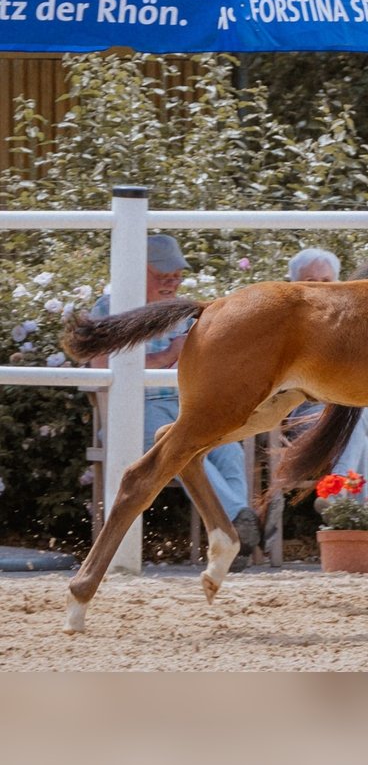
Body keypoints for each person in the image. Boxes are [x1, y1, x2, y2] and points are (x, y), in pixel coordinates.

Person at [87, 234, 260, 569]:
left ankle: (235, 528)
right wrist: (168, 355)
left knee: (229, 450)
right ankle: (237, 521)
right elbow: (98, 367)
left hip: (186, 404)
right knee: (184, 449)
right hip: (138, 409)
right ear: (138, 272)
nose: (171, 283)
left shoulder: (181, 313)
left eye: (175, 276)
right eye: (162, 276)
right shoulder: (109, 308)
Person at [283, 248, 368, 502]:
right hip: (310, 418)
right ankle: (350, 520)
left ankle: (338, 490)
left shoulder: (355, 324)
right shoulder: (282, 328)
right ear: (292, 285)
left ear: (338, 284)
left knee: (352, 414)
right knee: (353, 429)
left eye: (326, 282)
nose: (319, 288)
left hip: (365, 413)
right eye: (310, 282)